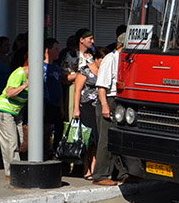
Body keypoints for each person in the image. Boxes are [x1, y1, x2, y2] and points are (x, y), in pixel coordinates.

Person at [91, 35, 122, 186]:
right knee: (106, 139)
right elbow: (101, 86)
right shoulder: (110, 59)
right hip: (109, 100)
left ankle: (121, 172)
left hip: (120, 101)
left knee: (119, 138)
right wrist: (105, 105)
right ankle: (100, 175)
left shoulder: (125, 59)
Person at [0, 54, 29, 180]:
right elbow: (9, 93)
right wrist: (24, 85)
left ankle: (16, 168)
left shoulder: (36, 76)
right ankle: (12, 172)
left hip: (17, 112)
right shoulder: (19, 74)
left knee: (20, 140)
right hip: (5, 110)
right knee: (10, 141)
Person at [71, 41, 103, 179]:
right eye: (101, 59)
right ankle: (85, 168)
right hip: (86, 107)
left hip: (98, 107)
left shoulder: (104, 72)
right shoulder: (85, 70)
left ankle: (94, 167)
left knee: (97, 139)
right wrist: (76, 109)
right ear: (96, 58)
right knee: (87, 139)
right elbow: (77, 91)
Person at [42, 38, 64, 156]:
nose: (58, 51)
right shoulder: (42, 67)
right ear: (47, 50)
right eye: (56, 49)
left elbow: (59, 86)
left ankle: (55, 151)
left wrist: (61, 105)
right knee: (46, 129)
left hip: (57, 104)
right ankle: (45, 152)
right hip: (47, 104)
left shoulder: (56, 67)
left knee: (59, 130)